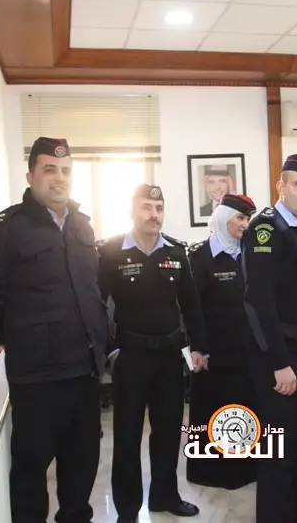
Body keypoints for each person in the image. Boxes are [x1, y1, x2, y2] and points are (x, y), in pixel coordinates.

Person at [0, 137, 108, 523]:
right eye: (49, 170)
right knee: (30, 476)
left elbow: (92, 290)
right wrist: (22, 337)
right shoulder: (6, 228)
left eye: (65, 171)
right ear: (30, 176)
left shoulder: (81, 224)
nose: (59, 178)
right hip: (37, 378)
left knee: (81, 470)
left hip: (84, 372)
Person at [98, 184, 207, 523]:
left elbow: (191, 303)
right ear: (132, 211)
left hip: (169, 357)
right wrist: (110, 351)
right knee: (127, 437)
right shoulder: (112, 251)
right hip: (130, 357)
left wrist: (199, 347)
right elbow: (96, 304)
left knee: (169, 431)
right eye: (146, 207)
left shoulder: (175, 251)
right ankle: (127, 510)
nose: (153, 215)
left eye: (159, 208)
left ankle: (165, 496)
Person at [242, 154, 297, 523]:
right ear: (281, 186)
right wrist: (279, 363)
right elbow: (258, 301)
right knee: (279, 451)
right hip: (283, 356)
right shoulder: (267, 228)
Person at [185, 193, 259, 490]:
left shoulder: (249, 253)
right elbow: (192, 308)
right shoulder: (200, 255)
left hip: (245, 348)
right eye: (240, 218)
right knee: (212, 407)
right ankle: (209, 471)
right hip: (213, 351)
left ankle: (245, 469)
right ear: (224, 218)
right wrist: (197, 348)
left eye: (248, 219)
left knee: (243, 406)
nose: (245, 224)